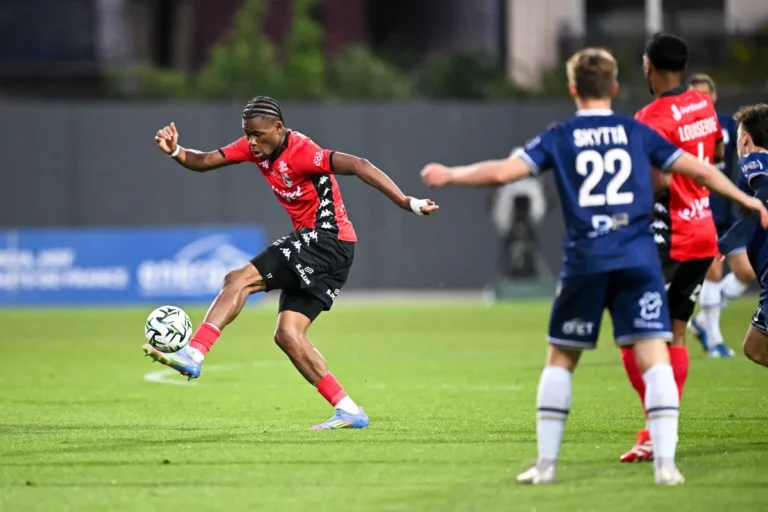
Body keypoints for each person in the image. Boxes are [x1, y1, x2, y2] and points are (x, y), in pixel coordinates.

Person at [420, 48, 768, 485]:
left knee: (561, 358)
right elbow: (697, 169)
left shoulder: (560, 135)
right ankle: (666, 464)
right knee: (655, 353)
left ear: (572, 89)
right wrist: (745, 199)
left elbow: (504, 173)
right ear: (615, 87)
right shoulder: (635, 130)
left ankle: (545, 466)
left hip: (587, 260)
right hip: (638, 258)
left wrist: (451, 174)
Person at [145, 96, 438, 430]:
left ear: (278, 128)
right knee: (287, 334)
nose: (252, 142)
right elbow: (206, 160)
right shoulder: (255, 147)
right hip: (332, 251)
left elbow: (360, 165)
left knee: (237, 279)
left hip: (326, 239)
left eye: (258, 134)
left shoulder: (302, 151)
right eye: (247, 134)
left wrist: (405, 201)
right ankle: (349, 410)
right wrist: (174, 151)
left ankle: (194, 354)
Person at [620, 33, 726, 463]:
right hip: (702, 231)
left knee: (636, 333)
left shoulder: (649, 117)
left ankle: (655, 428)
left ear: (648, 66)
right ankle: (661, 428)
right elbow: (715, 154)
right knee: (676, 330)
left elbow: (658, 181)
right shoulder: (704, 104)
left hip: (669, 237)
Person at [686, 74, 753, 357]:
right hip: (700, 210)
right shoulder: (684, 129)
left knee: (745, 272)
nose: (698, 102)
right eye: (692, 98)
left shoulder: (728, 126)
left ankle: (702, 321)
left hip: (727, 210)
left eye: (703, 96)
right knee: (713, 270)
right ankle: (714, 339)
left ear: (713, 97)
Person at [718, 104, 768, 368]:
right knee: (755, 346)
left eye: (738, 137)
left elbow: (765, 195)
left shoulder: (754, 160)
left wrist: (728, 241)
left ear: (746, 138)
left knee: (755, 347)